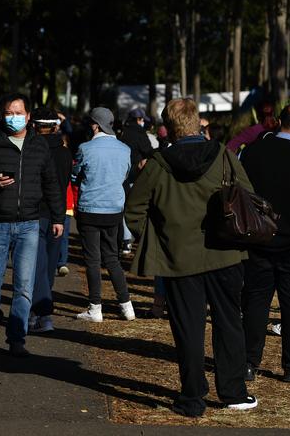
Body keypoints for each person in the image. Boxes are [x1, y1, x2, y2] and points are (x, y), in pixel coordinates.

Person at [125, 97, 257, 417]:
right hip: (224, 252)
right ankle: (234, 392)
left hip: (178, 256)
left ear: (168, 128)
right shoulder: (223, 155)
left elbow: (134, 212)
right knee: (228, 323)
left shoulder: (157, 164)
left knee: (188, 329)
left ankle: (193, 397)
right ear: (199, 122)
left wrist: (160, 237)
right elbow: (248, 195)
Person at [0, 93, 64, 357]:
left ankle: (17, 337)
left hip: (29, 225)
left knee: (24, 286)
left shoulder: (39, 145)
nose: (13, 117)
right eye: (9, 113)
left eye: (18, 112)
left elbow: (51, 184)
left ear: (29, 116)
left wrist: (58, 218)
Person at [239, 105, 290, 383]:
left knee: (256, 300)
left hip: (260, 236)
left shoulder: (254, 152)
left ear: (279, 123)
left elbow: (240, 191)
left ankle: (247, 362)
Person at [72, 107, 135, 322]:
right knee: (112, 258)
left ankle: (95, 307)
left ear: (95, 125)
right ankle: (126, 305)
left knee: (92, 260)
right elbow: (126, 175)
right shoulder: (125, 149)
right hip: (114, 209)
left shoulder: (85, 148)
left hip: (90, 208)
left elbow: (75, 174)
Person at [30, 107, 72, 332]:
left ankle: (40, 314)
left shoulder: (32, 150)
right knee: (48, 265)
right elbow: (65, 183)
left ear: (34, 126)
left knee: (35, 266)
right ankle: (40, 314)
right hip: (59, 213)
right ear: (55, 126)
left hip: (36, 212)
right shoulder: (65, 153)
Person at [119, 108, 154, 253]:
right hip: (137, 174)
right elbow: (148, 151)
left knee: (125, 206)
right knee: (138, 207)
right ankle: (136, 239)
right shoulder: (140, 134)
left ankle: (126, 240)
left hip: (123, 173)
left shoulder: (122, 132)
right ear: (139, 120)